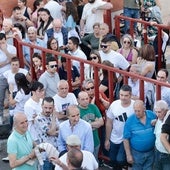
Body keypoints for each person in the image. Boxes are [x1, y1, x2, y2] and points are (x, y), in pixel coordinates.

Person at [105, 85, 135, 169]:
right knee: (113, 159)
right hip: (114, 137)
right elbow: (109, 123)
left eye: (126, 95)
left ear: (130, 95)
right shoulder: (114, 104)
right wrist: (107, 139)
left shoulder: (134, 106)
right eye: (121, 95)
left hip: (127, 138)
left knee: (120, 159)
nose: (123, 97)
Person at [123, 100, 156, 170]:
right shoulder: (130, 120)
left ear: (144, 109)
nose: (136, 113)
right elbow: (125, 139)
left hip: (151, 152)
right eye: (135, 111)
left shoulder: (152, 115)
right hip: (136, 154)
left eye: (139, 111)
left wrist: (157, 121)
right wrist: (128, 155)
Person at [78, 91, 104, 161]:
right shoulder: (77, 111)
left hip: (95, 141)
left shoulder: (93, 107)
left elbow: (101, 122)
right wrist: (95, 122)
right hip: (83, 143)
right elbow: (80, 127)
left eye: (87, 98)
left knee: (94, 162)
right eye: (82, 99)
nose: (85, 101)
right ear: (78, 100)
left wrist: (88, 124)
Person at [35, 97, 59, 170]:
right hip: (45, 156)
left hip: (55, 153)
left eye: (50, 108)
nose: (47, 110)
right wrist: (54, 119)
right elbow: (51, 132)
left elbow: (59, 131)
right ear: (42, 106)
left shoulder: (52, 116)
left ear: (53, 107)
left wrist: (53, 130)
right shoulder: (38, 118)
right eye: (45, 107)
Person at [0, 32, 16, 124]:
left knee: (12, 97)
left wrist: (6, 51)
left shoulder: (12, 48)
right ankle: (0, 116)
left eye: (3, 42)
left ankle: (12, 117)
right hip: (1, 76)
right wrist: (7, 61)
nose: (1, 44)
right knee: (0, 98)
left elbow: (14, 60)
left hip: (11, 76)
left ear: (6, 40)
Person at [154, 100, 170, 170]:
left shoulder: (168, 121)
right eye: (156, 112)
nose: (157, 114)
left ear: (166, 111)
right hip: (157, 152)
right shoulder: (158, 120)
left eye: (159, 112)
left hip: (167, 155)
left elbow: (163, 138)